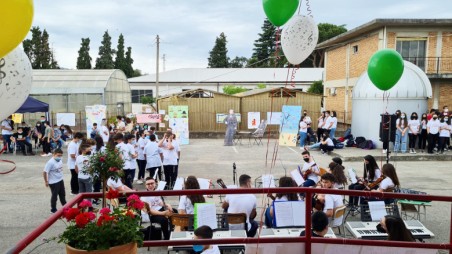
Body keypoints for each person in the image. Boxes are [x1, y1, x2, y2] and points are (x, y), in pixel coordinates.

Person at [43, 148, 66, 213]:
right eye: (58, 155)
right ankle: (53, 209)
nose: (60, 157)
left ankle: (65, 206)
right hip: (53, 182)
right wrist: (46, 181)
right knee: (54, 196)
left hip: (60, 180)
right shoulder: (50, 162)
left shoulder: (60, 160)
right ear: (54, 154)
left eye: (61, 155)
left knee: (62, 194)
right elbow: (45, 172)